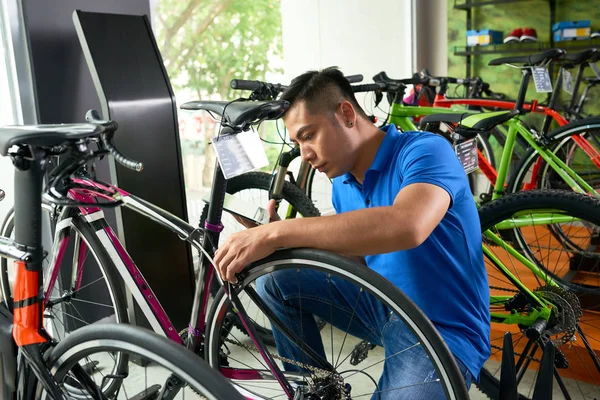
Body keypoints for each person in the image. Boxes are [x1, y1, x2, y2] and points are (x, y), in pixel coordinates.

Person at [214, 67, 490, 398]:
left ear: (346, 113)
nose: (305, 154)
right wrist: (281, 248)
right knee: (275, 279)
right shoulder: (342, 185)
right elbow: (361, 257)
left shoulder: (426, 150)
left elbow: (408, 225)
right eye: (298, 142)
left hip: (442, 327)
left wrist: (281, 233)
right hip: (382, 307)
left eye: (308, 135)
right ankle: (317, 388)